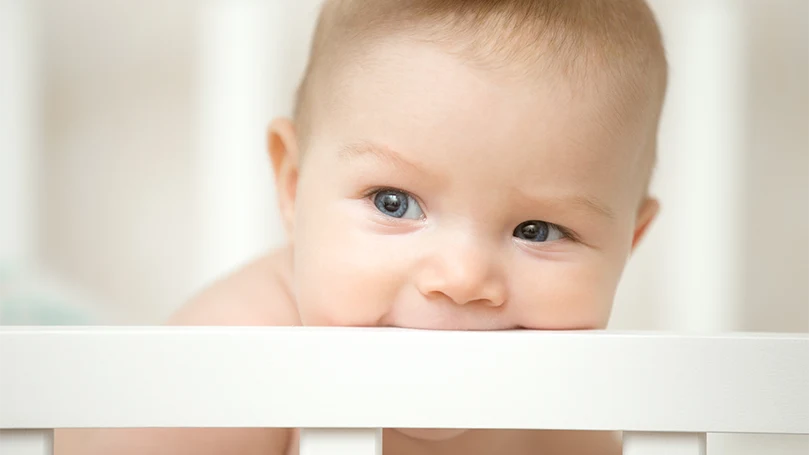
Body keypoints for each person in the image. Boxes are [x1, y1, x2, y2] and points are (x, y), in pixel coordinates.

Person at [57, 0, 668, 453]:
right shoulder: (229, 364)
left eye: (538, 230)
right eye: (395, 203)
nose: (461, 279)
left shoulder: (568, 413)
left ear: (629, 244)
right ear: (295, 185)